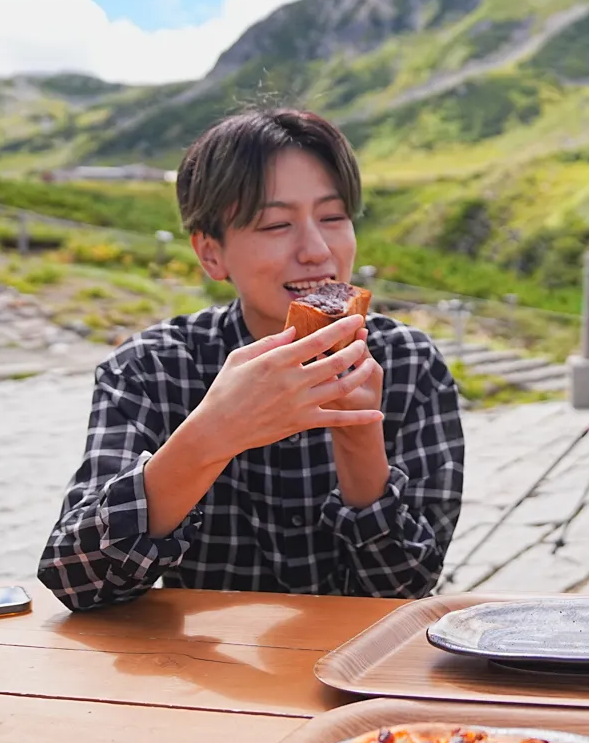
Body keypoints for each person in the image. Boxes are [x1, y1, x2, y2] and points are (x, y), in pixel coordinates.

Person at [38, 109, 464, 611]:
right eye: (275, 223)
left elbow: (405, 592)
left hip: (357, 672)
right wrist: (214, 432)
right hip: (194, 674)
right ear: (210, 253)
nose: (316, 250)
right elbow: (76, 580)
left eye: (332, 217)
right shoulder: (150, 367)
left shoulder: (410, 364)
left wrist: (358, 435)